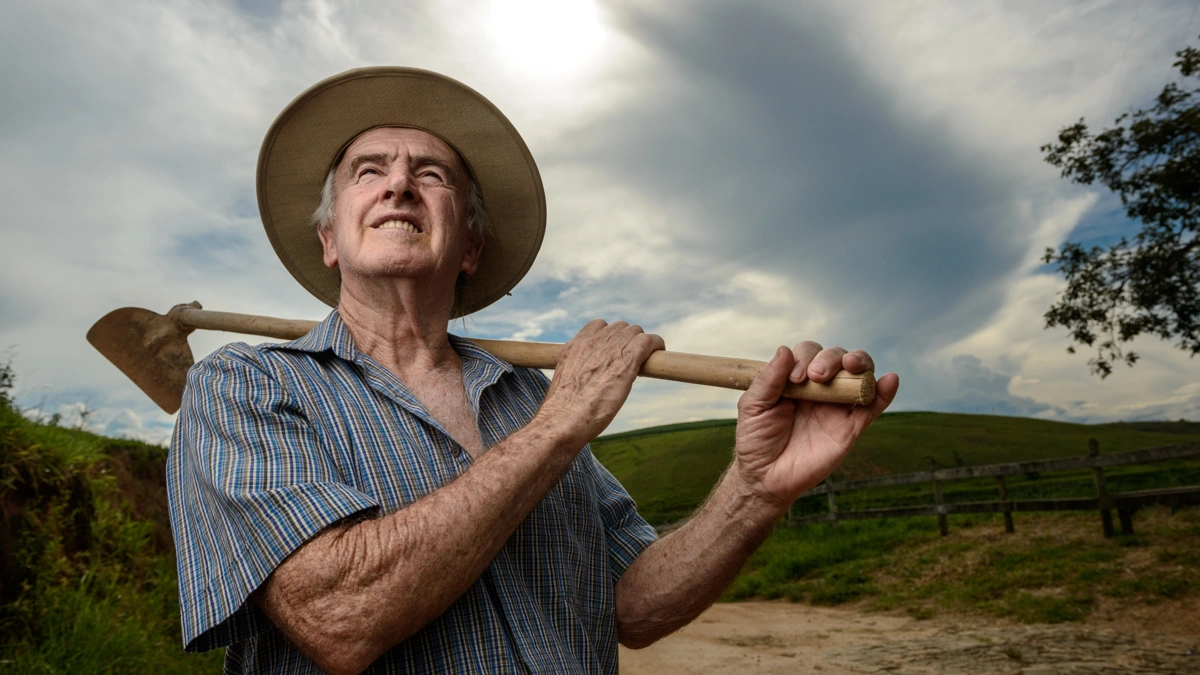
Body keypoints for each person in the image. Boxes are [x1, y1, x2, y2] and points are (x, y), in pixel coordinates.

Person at [167, 67, 899, 675]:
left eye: (431, 173)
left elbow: (631, 606)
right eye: (369, 172)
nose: (399, 186)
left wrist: (754, 488)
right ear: (329, 237)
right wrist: (560, 427)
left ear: (471, 249)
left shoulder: (526, 396)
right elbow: (337, 618)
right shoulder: (242, 386)